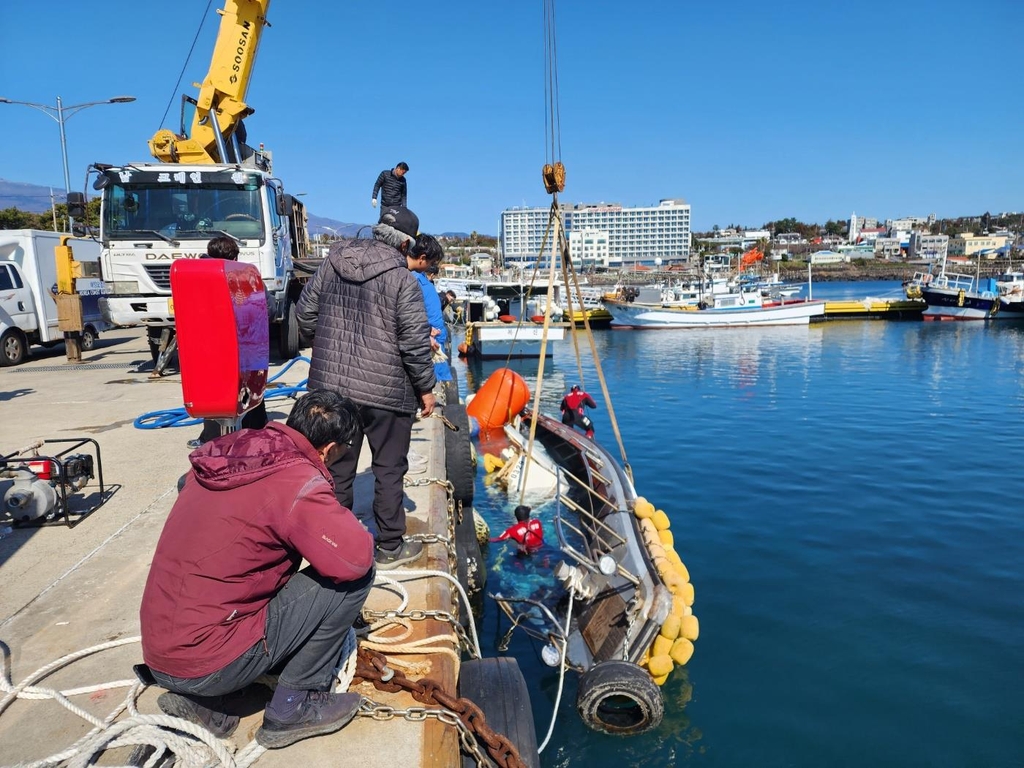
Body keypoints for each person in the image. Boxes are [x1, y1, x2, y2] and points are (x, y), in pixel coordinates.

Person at [140, 391, 375, 750]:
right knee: (358, 573)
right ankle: (294, 706)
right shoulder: (298, 482)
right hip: (210, 663)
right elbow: (354, 558)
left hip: (163, 655)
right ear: (329, 449)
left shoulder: (236, 449)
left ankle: (205, 707)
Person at [295, 205, 436, 570]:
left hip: (331, 388)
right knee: (388, 468)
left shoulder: (332, 262)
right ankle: (389, 546)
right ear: (406, 244)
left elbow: (305, 314)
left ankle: (333, 547)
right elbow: (414, 342)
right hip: (386, 391)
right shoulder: (403, 279)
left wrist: (325, 345)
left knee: (336, 469)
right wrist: (426, 388)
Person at [187, 235, 269, 450]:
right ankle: (255, 431)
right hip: (243, 347)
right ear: (234, 255)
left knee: (214, 394)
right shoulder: (241, 275)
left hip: (207, 348)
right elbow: (261, 307)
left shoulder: (193, 274)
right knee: (249, 391)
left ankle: (211, 438)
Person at [410, 238, 451, 384]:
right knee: (431, 377)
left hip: (433, 332)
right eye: (431, 263)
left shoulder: (418, 278)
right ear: (422, 258)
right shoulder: (413, 279)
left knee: (435, 376)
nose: (430, 267)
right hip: (429, 334)